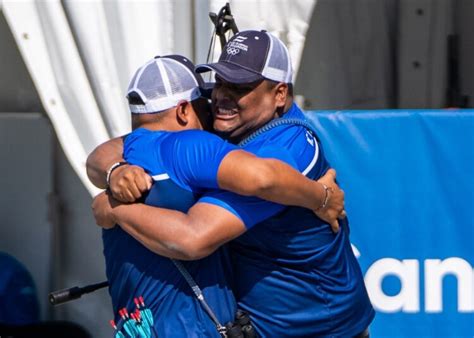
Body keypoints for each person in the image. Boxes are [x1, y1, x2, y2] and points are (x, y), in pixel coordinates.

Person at [91, 30, 374, 337]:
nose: (222, 96)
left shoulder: (285, 151)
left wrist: (114, 209)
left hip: (322, 330)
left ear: (279, 94)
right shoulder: (237, 117)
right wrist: (115, 170)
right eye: (221, 81)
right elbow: (125, 143)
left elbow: (193, 237)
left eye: (239, 86)